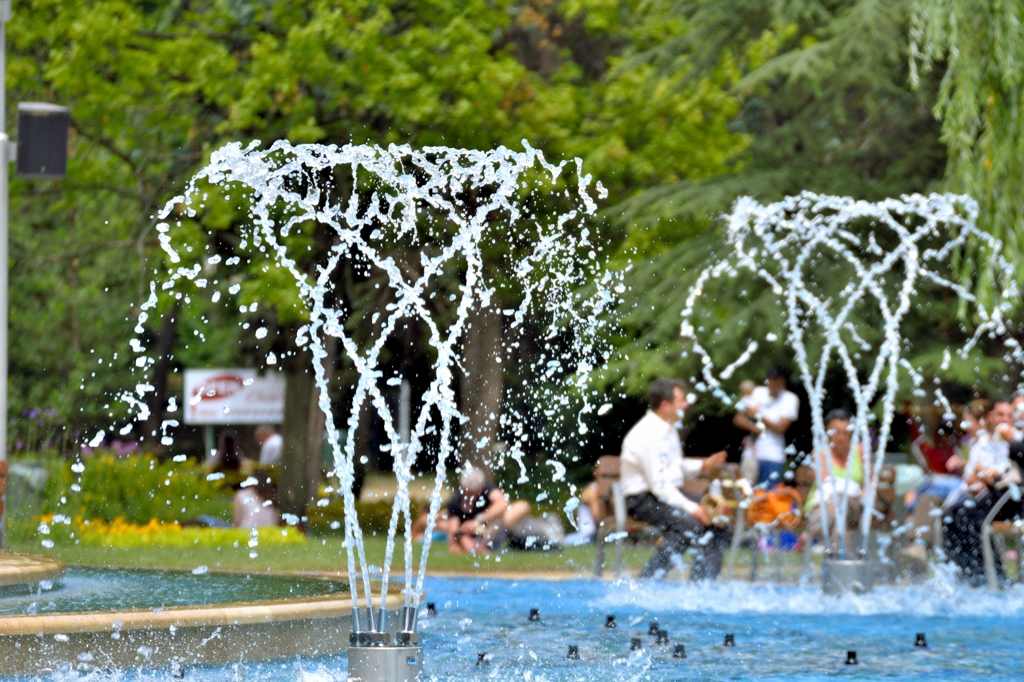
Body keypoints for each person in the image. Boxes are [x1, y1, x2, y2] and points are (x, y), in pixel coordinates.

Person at [621, 378, 729, 580]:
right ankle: (647, 583)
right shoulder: (647, 434)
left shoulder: (668, 428)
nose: (686, 404)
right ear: (665, 405)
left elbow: (673, 467)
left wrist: (702, 466)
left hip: (663, 494)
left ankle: (703, 587)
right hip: (642, 500)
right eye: (681, 400)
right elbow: (659, 485)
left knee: (719, 521)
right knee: (689, 524)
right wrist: (694, 508)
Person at [943, 397, 1023, 585]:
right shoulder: (985, 441)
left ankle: (987, 576)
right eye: (1000, 414)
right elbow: (974, 475)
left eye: (1010, 415)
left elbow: (1001, 474)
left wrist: (986, 474)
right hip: (992, 493)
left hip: (1011, 497)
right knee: (951, 515)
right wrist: (983, 475)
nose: (1005, 419)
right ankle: (965, 571)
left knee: (972, 520)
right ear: (990, 417)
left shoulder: (1016, 439)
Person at [803, 409, 864, 555]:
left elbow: (870, 484)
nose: (841, 437)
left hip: (853, 507)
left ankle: (834, 563)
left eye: (846, 432)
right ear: (827, 431)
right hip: (822, 506)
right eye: (836, 432)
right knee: (838, 512)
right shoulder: (820, 452)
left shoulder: (860, 451)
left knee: (840, 503)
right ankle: (841, 561)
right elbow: (826, 485)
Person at [733, 367, 800, 488]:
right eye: (771, 384)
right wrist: (755, 429)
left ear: (782, 382)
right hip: (751, 454)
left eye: (777, 385)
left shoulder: (790, 399)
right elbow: (738, 418)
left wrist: (759, 415)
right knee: (745, 493)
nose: (773, 388)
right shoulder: (757, 392)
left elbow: (780, 428)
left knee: (770, 497)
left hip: (773, 456)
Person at [442, 467, 530, 554]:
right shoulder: (456, 501)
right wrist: (455, 543)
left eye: (472, 492)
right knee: (454, 532)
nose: (469, 496)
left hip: (491, 533)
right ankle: (476, 548)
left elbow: (503, 503)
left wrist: (477, 520)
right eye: (466, 492)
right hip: (469, 537)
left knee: (518, 507)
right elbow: (454, 528)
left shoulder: (488, 490)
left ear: (481, 487)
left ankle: (481, 546)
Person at [564, 455, 619, 546]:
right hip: (587, 536)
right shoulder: (591, 492)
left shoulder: (608, 491)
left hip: (597, 535)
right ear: (595, 471)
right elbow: (597, 517)